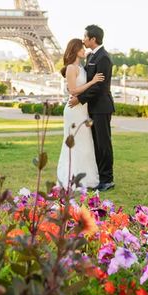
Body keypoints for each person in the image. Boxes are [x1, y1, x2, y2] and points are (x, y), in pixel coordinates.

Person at [69, 24, 115, 192]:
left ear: (93, 39)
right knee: (96, 143)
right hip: (93, 108)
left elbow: (99, 87)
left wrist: (79, 99)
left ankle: (107, 179)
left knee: (103, 144)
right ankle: (101, 177)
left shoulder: (103, 57)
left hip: (101, 107)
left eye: (85, 37)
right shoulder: (91, 56)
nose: (83, 40)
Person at [57, 38, 104, 191]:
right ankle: (72, 179)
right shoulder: (71, 68)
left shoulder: (81, 67)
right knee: (74, 144)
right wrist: (92, 82)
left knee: (85, 143)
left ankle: (86, 179)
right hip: (74, 111)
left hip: (82, 110)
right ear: (75, 49)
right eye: (82, 48)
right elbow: (73, 90)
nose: (85, 50)